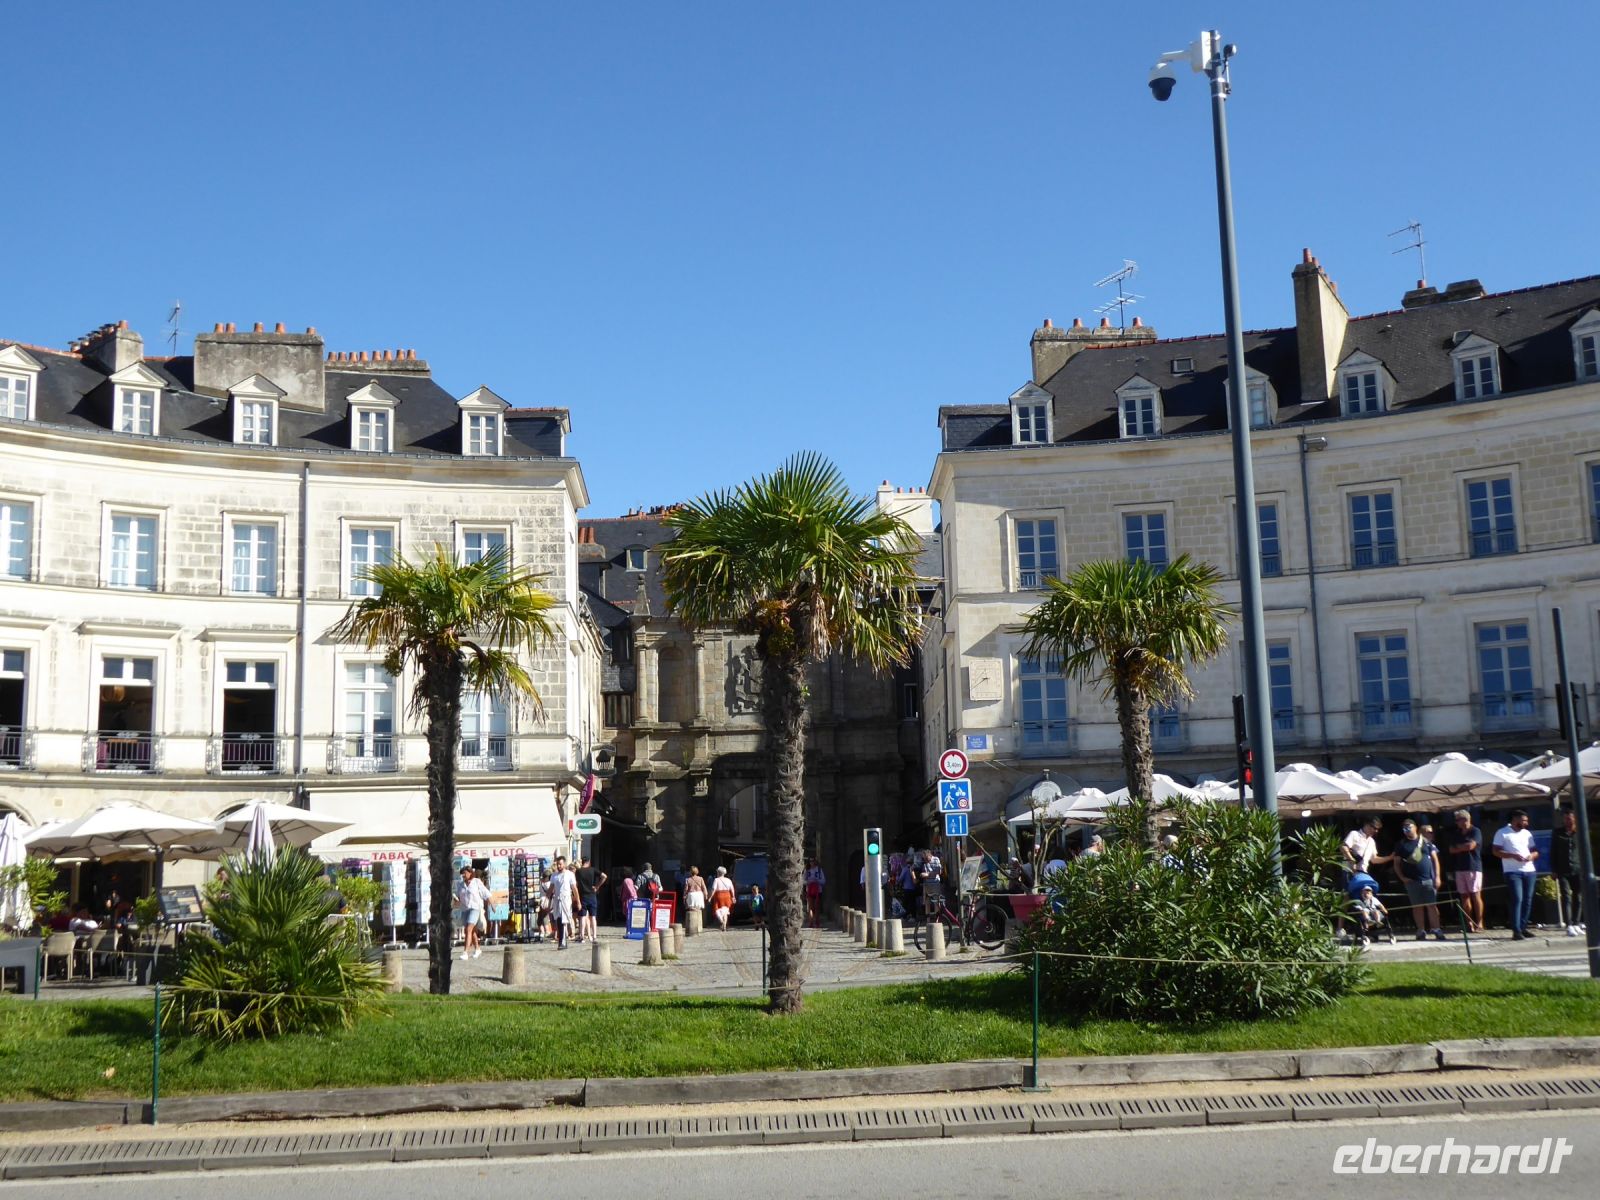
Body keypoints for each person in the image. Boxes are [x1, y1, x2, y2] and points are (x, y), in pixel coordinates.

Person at [1392, 818, 1446, 941]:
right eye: (1404, 828)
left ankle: (1436, 929)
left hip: (1428, 879)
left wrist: (1437, 877)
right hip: (1412, 881)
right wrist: (1402, 878)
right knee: (1417, 906)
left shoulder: (1426, 842)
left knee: (1432, 905)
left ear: (1415, 827)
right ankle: (1421, 930)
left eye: (1409, 827)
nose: (1407, 829)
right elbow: (1396, 863)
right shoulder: (1401, 844)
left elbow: (1435, 860)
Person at [1492, 808, 1539, 939]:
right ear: (1515, 819)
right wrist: (1512, 855)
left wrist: (1532, 856)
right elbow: (1495, 851)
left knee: (1528, 900)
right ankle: (1516, 930)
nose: (1526, 823)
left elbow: (1535, 851)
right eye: (1524, 820)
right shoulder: (1502, 833)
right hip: (1512, 871)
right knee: (1517, 898)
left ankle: (1523, 927)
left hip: (1529, 870)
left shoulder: (1527, 833)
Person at [1446, 809, 1485, 932]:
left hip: (1473, 866)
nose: (1456, 822)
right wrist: (1463, 847)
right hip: (1460, 867)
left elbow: (1471, 846)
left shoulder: (1475, 831)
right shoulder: (1456, 833)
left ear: (1465, 820)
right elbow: (1451, 849)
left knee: (1475, 894)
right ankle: (1469, 923)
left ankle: (1479, 922)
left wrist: (1460, 847)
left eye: (1458, 820)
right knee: (1464, 896)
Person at [1550, 809, 1585, 936]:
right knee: (1566, 896)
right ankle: (1569, 924)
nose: (1567, 821)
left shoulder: (1580, 832)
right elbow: (1553, 851)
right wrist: (1554, 869)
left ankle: (1576, 923)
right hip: (1562, 869)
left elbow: (1585, 851)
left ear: (1574, 818)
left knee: (1578, 896)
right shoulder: (1557, 832)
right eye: (1565, 819)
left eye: (1569, 818)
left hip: (1577, 869)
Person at [455, 867, 491, 960]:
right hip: (465, 909)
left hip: (475, 908)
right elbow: (458, 897)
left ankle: (465, 952)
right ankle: (477, 949)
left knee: (468, 929)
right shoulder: (460, 884)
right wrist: (456, 900)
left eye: (465, 873)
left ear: (470, 873)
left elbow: (485, 893)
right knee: (472, 930)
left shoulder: (476, 882)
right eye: (462, 874)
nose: (463, 875)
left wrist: (491, 903)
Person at [574, 857, 607, 943]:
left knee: (582, 917)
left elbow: (576, 883)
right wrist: (597, 886)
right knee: (593, 917)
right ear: (588, 862)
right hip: (592, 895)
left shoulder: (578, 871)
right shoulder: (593, 870)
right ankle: (594, 936)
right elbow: (604, 876)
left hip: (583, 896)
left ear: (582, 862)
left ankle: (582, 937)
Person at [548, 856, 576, 949]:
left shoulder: (569, 874)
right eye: (557, 864)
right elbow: (551, 888)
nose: (558, 866)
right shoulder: (554, 875)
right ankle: (561, 941)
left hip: (566, 899)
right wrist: (546, 899)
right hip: (557, 900)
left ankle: (563, 942)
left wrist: (578, 901)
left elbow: (574, 889)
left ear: (564, 864)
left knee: (564, 920)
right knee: (559, 920)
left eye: (560, 864)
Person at [709, 866, 736, 931]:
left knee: (717, 910)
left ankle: (721, 921)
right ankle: (724, 926)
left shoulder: (716, 880)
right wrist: (733, 897)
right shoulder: (728, 880)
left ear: (718, 872)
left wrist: (710, 897)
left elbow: (713, 889)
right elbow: (732, 889)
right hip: (727, 896)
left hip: (719, 895)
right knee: (725, 912)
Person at [803, 859, 826, 928]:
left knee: (817, 907)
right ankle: (811, 922)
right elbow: (803, 880)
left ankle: (817, 921)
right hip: (809, 891)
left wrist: (817, 881)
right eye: (810, 861)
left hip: (818, 891)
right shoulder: (807, 870)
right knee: (810, 907)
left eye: (813, 861)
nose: (812, 862)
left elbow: (823, 881)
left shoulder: (819, 870)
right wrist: (808, 882)